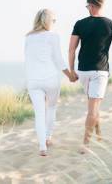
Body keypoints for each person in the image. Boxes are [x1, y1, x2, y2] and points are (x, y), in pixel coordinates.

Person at [68, 0, 112, 154]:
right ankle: (86, 144)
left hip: (83, 71)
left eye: (88, 6)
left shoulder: (80, 24)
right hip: (100, 72)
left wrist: (72, 70)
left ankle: (99, 135)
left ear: (93, 5)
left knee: (93, 105)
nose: (88, 9)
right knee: (93, 108)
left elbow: (71, 49)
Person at [24, 9, 76, 156]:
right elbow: (58, 60)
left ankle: (42, 147)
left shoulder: (28, 37)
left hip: (33, 80)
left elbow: (28, 59)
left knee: (39, 114)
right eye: (53, 20)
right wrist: (70, 75)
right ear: (47, 21)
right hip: (51, 79)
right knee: (51, 108)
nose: (54, 23)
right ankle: (48, 137)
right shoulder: (53, 36)